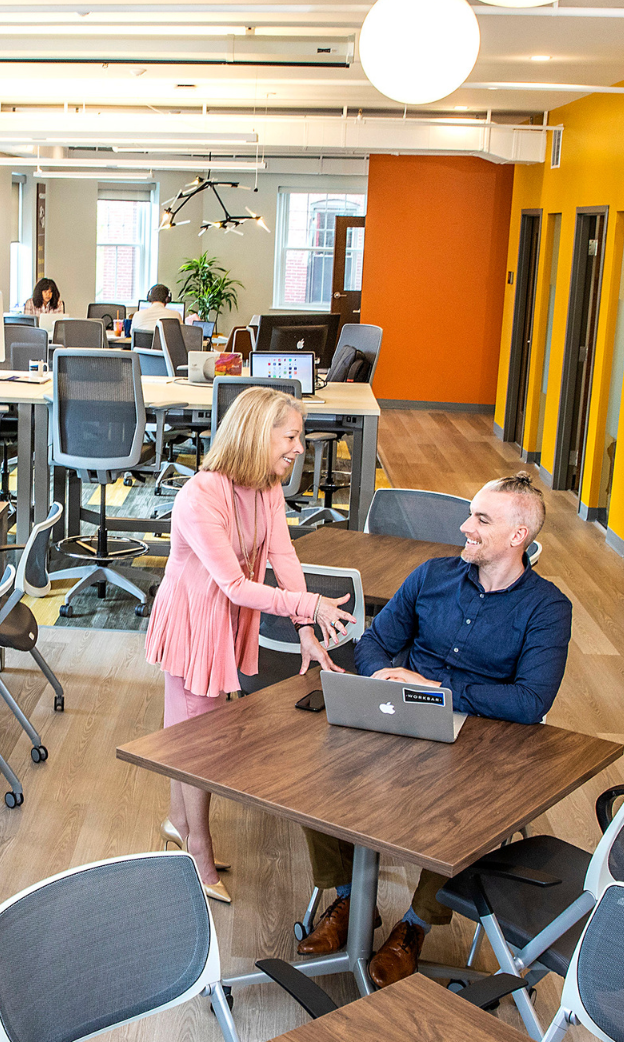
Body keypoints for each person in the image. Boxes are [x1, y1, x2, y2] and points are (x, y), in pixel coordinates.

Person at [294, 472, 573, 988]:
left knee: (467, 810)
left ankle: (415, 926)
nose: (465, 527)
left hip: (482, 735)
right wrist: (383, 675)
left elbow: (531, 701)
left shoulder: (548, 608)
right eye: (470, 515)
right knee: (316, 776)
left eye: (481, 519)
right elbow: (375, 642)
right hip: (401, 710)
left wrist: (436, 687)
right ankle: (352, 900)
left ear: (518, 536)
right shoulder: (431, 576)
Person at [144, 386, 356, 904]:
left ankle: (178, 822)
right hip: (195, 618)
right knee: (199, 741)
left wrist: (305, 631)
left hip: (224, 615)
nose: (300, 448)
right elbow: (235, 585)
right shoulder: (201, 496)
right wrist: (310, 606)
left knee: (188, 730)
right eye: (291, 436)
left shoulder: (266, 488)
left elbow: (283, 557)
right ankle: (197, 849)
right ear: (258, 434)